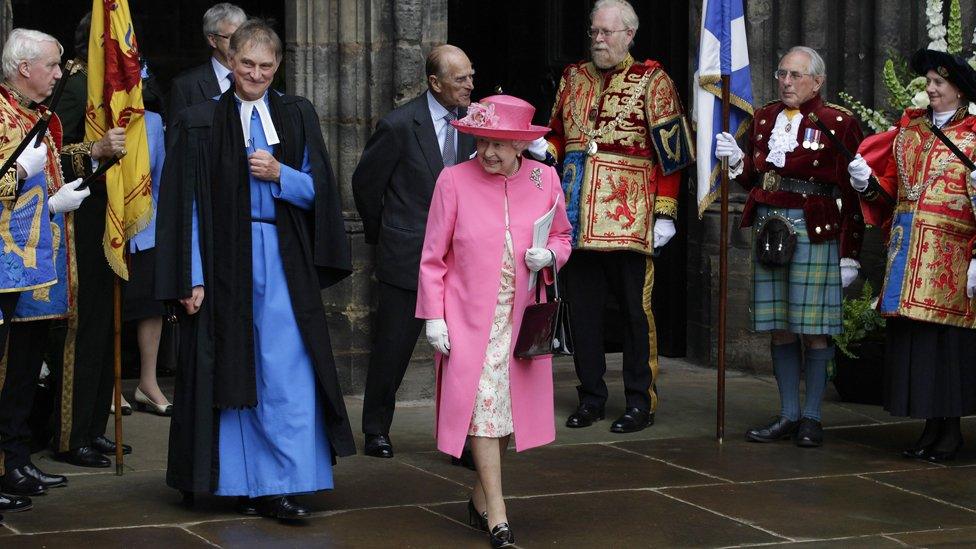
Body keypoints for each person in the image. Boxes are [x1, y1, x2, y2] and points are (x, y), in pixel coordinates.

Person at [155, 19, 355, 520]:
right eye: (247, 64)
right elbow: (187, 209)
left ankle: (282, 482)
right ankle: (235, 481)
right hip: (222, 262)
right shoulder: (199, 120)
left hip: (281, 257)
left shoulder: (295, 114)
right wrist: (192, 275)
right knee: (232, 368)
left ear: (278, 67)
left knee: (285, 372)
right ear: (230, 59)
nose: (256, 74)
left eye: (266, 66)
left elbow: (322, 194)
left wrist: (281, 174)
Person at [417, 95, 572, 547]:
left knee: (503, 413)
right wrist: (434, 316)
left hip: (521, 318)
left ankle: (480, 495)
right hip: (468, 318)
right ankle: (499, 516)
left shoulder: (545, 178)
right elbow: (431, 257)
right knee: (484, 408)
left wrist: (551, 255)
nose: (488, 152)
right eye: (482, 141)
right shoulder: (452, 180)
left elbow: (563, 235)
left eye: (499, 144)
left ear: (521, 146)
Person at [547, 0, 693, 433]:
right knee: (584, 313)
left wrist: (665, 212)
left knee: (634, 313)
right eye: (594, 31)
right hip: (575, 218)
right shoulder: (573, 77)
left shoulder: (654, 80)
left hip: (629, 219)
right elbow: (557, 131)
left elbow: (675, 155)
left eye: (607, 32)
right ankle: (590, 396)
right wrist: (547, 151)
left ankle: (639, 402)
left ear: (629, 35)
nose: (598, 39)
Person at [714, 46, 865, 447]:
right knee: (779, 328)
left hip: (814, 230)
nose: (786, 81)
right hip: (769, 227)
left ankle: (812, 419)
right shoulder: (764, 117)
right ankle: (787, 414)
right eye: (782, 73)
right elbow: (758, 179)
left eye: (796, 75)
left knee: (814, 331)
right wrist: (736, 164)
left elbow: (852, 195)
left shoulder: (837, 121)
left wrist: (850, 252)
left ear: (818, 81)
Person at [847, 48, 976, 462]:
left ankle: (951, 432)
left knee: (947, 345)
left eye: (939, 83)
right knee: (916, 344)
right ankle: (929, 427)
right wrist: (866, 184)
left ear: (959, 89)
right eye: (929, 83)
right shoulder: (910, 132)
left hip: (950, 259)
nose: (931, 89)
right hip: (907, 257)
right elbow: (892, 197)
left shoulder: (974, 136)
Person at [352, 44, 475, 459]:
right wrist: (386, 235)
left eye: (471, 76)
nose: (469, 85)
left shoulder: (475, 125)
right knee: (393, 346)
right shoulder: (400, 125)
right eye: (460, 79)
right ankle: (376, 430)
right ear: (434, 83)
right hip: (408, 256)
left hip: (461, 260)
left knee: (462, 354)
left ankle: (460, 438)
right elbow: (366, 186)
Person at [0, 27, 88, 515]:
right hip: (7, 264)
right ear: (24, 69)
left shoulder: (36, 114)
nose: (59, 74)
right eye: (53, 66)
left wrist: (92, 154)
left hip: (34, 261)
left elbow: (51, 161)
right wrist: (27, 178)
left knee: (22, 369)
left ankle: (15, 458)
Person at [45, 13, 129, 468]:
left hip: (105, 219)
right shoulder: (76, 87)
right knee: (81, 328)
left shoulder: (110, 91)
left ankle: (94, 427)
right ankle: (70, 433)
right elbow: (46, 153)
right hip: (76, 220)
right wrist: (93, 152)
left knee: (102, 324)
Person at [124, 109, 169, 416]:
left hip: (147, 229)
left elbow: (162, 178)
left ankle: (148, 384)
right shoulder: (95, 115)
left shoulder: (152, 122)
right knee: (108, 309)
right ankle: (109, 387)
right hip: (108, 229)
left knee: (151, 306)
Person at [166, 3, 246, 127]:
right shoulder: (185, 86)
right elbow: (176, 142)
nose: (239, 42)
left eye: (242, 35)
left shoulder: (256, 77)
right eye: (231, 37)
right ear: (213, 40)